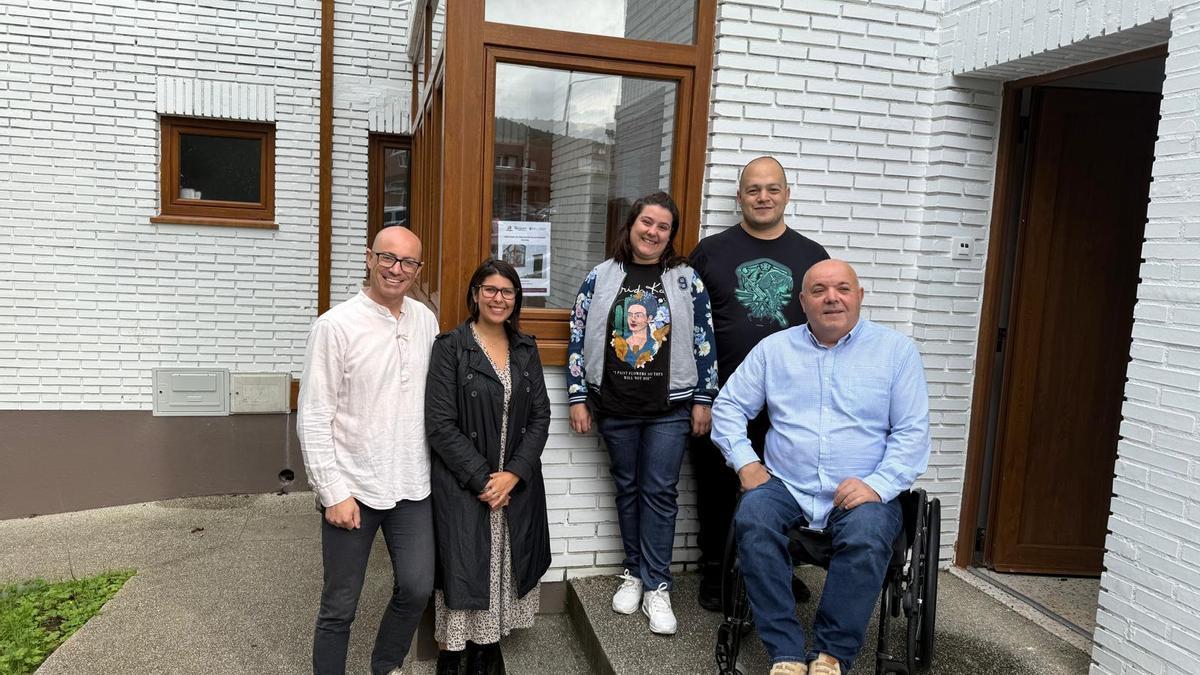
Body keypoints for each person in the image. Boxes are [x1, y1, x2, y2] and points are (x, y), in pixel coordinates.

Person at [711, 259, 931, 675]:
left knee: (867, 533)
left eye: (843, 289)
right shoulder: (774, 350)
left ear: (859, 296)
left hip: (863, 490)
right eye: (820, 290)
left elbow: (912, 433)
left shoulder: (896, 352)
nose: (832, 298)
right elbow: (728, 407)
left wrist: (878, 485)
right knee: (753, 516)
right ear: (802, 302)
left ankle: (831, 655)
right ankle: (787, 653)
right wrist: (746, 463)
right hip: (786, 485)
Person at [566, 191, 718, 636]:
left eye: (663, 226)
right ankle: (633, 571)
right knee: (628, 488)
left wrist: (704, 398)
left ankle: (658, 585)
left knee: (660, 492)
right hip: (614, 404)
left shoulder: (686, 279)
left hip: (670, 407)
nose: (652, 232)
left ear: (671, 235)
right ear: (631, 225)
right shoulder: (600, 276)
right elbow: (577, 334)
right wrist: (578, 395)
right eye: (646, 223)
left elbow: (705, 340)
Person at [688, 156, 829, 610]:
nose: (763, 197)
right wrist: (701, 395)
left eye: (772, 189)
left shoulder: (811, 256)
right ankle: (716, 573)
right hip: (721, 397)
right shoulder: (710, 252)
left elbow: (828, 326)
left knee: (785, 488)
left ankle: (777, 569)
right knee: (714, 487)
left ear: (786, 195)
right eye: (753, 190)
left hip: (790, 403)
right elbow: (690, 327)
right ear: (739, 197)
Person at [297, 224, 438, 675]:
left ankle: (385, 666)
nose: (397, 269)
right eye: (387, 257)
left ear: (419, 269)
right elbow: (314, 416)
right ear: (369, 258)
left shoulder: (425, 321)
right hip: (352, 486)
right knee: (340, 605)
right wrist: (331, 491)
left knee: (417, 587)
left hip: (412, 484)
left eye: (408, 262)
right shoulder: (335, 326)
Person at [424, 259, 552, 675]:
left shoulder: (525, 348)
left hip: (514, 482)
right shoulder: (451, 347)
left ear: (516, 299)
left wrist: (513, 474)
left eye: (508, 292)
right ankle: (454, 650)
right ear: (476, 294)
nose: (499, 298)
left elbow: (540, 418)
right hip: (467, 482)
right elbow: (440, 425)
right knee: (465, 564)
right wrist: (485, 480)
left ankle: (487, 646)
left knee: (504, 562)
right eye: (491, 290)